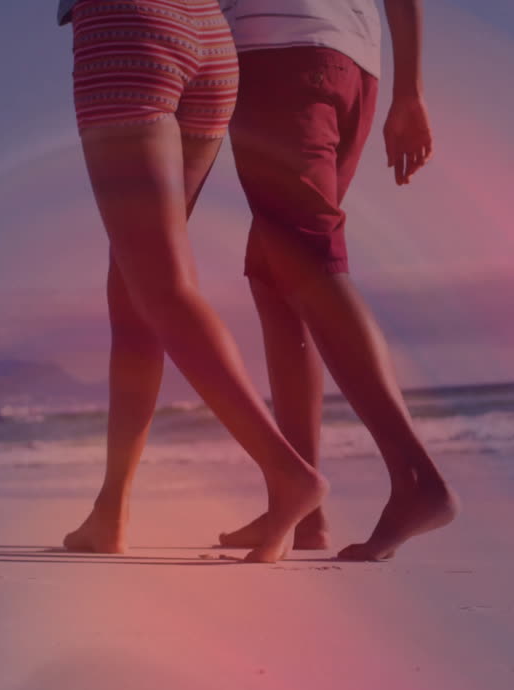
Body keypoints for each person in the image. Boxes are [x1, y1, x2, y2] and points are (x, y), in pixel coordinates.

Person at [55, 0, 326, 563]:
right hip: (208, 35)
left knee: (161, 286)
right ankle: (111, 511)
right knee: (135, 292)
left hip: (126, 29)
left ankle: (286, 474)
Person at [215, 0, 458, 561]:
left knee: (307, 257)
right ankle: (300, 506)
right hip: (352, 65)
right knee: (277, 275)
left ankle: (417, 478)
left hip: (280, 55)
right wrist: (407, 90)